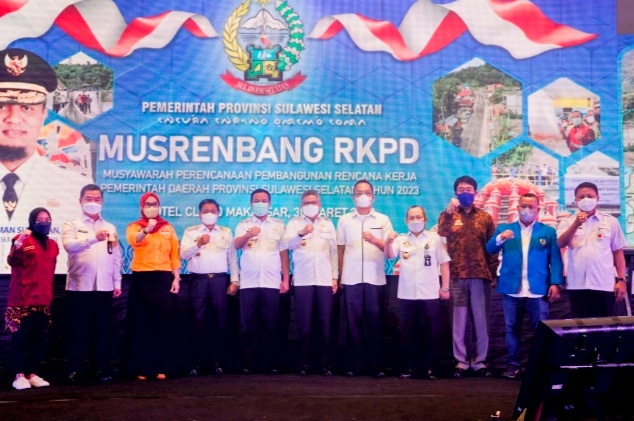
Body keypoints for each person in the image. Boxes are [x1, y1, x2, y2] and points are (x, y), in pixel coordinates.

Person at [0, 48, 91, 274]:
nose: (13, 118)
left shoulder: (74, 188)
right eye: (1, 106)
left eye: (26, 107)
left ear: (43, 114)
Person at [486, 193, 563, 379]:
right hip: (511, 288)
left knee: (540, 330)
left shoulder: (548, 231)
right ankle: (513, 365)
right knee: (511, 328)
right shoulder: (505, 229)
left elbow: (555, 259)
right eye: (523, 206)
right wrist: (500, 238)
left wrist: (556, 283)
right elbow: (489, 249)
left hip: (538, 288)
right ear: (517, 208)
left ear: (538, 209)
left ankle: (539, 366)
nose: (526, 210)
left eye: (531, 206)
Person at [437, 175, 498, 378]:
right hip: (457, 275)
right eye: (461, 190)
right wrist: (448, 211)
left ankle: (480, 361)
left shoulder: (485, 217)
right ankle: (461, 361)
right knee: (459, 322)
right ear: (455, 193)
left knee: (481, 321)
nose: (465, 193)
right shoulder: (448, 215)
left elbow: (492, 247)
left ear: (475, 193)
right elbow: (441, 232)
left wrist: (492, 272)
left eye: (469, 190)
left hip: (480, 275)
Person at [61, 184, 122, 383]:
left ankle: (101, 368)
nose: (93, 202)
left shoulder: (110, 227)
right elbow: (69, 246)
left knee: (102, 330)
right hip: (79, 287)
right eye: (89, 199)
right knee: (78, 330)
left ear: (102, 202)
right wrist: (93, 239)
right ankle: (76, 369)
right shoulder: (71, 225)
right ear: (80, 201)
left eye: (97, 199)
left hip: (104, 287)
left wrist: (117, 282)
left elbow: (116, 256)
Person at [386, 205, 450, 380]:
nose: (415, 221)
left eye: (418, 217)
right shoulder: (400, 239)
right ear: (406, 221)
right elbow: (390, 255)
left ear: (425, 220)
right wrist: (388, 242)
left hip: (430, 293)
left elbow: (444, 263)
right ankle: (411, 367)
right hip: (407, 293)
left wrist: (445, 287)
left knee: (431, 332)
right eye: (411, 218)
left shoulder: (435, 239)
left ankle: (430, 367)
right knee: (409, 332)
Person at [336, 180, 393, 377]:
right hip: (351, 277)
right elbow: (340, 249)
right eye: (359, 193)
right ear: (353, 197)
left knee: (375, 322)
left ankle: (375, 366)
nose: (363, 196)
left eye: (367, 192)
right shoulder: (344, 220)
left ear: (373, 197)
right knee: (353, 323)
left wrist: (376, 240)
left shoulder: (383, 220)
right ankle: (355, 365)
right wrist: (340, 274)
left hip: (375, 278)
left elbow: (389, 249)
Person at [124, 192, 181, 380]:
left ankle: (161, 366)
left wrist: (176, 278)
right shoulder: (135, 226)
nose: (152, 207)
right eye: (148, 204)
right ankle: (142, 368)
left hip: (163, 278)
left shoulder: (167, 227)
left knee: (162, 323)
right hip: (142, 279)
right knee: (142, 323)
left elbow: (174, 254)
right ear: (142, 207)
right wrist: (147, 230)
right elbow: (134, 240)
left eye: (155, 204)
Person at [180, 199, 239, 376]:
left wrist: (234, 281)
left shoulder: (226, 232)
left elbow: (232, 259)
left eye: (213, 210)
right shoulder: (191, 232)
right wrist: (197, 244)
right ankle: (196, 364)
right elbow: (183, 255)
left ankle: (216, 362)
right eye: (205, 211)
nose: (209, 214)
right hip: (198, 281)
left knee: (219, 322)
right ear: (199, 214)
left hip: (219, 281)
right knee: (197, 321)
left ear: (218, 213)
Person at [234, 188, 290, 374]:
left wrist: (285, 278)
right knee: (248, 323)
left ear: (269, 204)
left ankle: (270, 364)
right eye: (256, 201)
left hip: (271, 280)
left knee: (271, 323)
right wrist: (248, 234)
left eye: (264, 200)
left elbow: (283, 253)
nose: (260, 203)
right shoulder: (243, 224)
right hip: (249, 281)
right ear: (251, 204)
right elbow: (237, 245)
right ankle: (248, 363)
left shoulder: (278, 225)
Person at [283, 190, 338, 376]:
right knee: (304, 324)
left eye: (313, 202)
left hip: (324, 279)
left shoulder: (328, 223)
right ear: (301, 206)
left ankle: (325, 364)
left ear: (319, 205)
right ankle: (304, 364)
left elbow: (333, 252)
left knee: (325, 323)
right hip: (303, 280)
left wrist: (334, 277)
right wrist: (300, 233)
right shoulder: (294, 223)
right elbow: (286, 245)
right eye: (306, 203)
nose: (310, 205)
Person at [5, 207, 58, 389]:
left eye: (47, 219)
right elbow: (12, 261)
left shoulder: (53, 245)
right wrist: (19, 242)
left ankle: (32, 373)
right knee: (20, 338)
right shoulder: (22, 239)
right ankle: (19, 375)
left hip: (43, 299)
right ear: (32, 221)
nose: (44, 222)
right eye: (39, 219)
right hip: (22, 299)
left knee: (38, 339)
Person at [557, 182, 627, 318]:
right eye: (581, 197)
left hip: (604, 283)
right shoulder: (567, 222)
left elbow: (618, 252)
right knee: (579, 326)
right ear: (576, 200)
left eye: (590, 196)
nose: (586, 199)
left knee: (604, 325)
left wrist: (621, 280)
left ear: (597, 198)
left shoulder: (610, 221)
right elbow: (561, 243)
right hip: (577, 284)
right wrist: (576, 224)